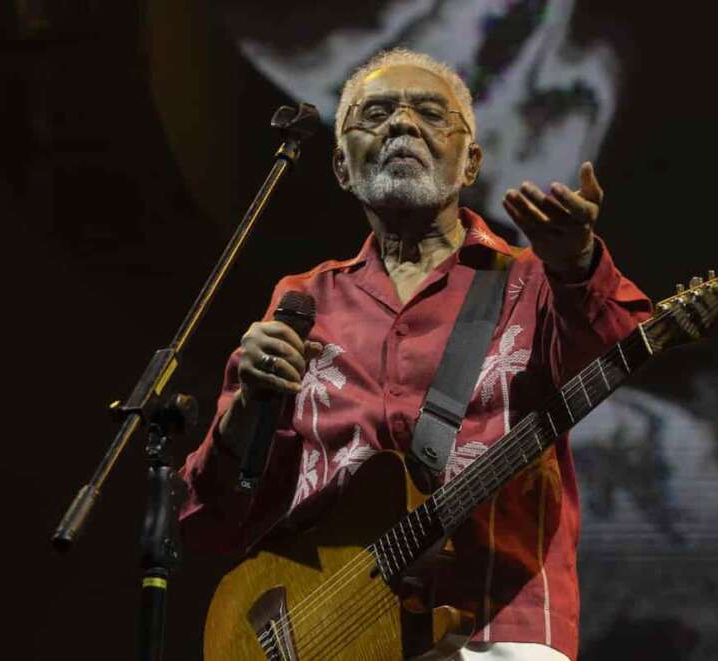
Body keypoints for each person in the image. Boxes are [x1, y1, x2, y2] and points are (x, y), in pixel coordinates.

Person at [179, 48, 651, 661]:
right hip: (325, 637)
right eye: (375, 113)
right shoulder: (302, 300)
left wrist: (577, 265)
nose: (402, 124)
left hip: (493, 631)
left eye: (431, 113)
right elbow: (214, 518)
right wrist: (250, 404)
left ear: (470, 161)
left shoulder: (531, 283)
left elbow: (617, 350)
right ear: (343, 167)